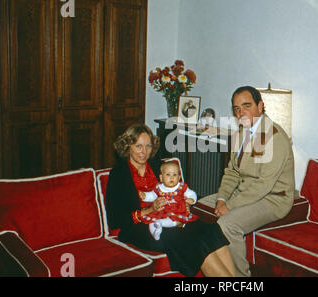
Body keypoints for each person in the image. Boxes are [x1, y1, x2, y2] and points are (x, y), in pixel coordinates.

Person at [105, 123, 235, 277]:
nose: (144, 152)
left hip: (171, 217)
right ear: (128, 146)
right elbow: (115, 219)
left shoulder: (157, 165)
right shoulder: (118, 174)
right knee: (192, 240)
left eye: (148, 146)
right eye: (138, 146)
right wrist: (150, 209)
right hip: (142, 227)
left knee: (209, 229)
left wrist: (184, 205)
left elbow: (176, 190)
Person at [199, 86, 295, 277]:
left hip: (273, 199)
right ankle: (219, 270)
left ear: (260, 106)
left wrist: (230, 206)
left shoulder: (275, 137)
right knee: (200, 206)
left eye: (246, 106)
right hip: (246, 191)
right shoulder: (241, 132)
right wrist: (221, 199)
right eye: (236, 108)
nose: (241, 112)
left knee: (228, 224)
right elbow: (232, 171)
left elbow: (263, 185)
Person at [138, 159, 198, 240]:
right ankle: (155, 234)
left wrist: (191, 199)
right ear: (161, 177)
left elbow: (192, 193)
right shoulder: (159, 187)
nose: (171, 177)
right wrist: (145, 196)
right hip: (161, 210)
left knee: (174, 220)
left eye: (175, 174)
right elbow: (152, 195)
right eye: (168, 174)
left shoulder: (181, 187)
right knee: (151, 222)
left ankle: (161, 223)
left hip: (176, 210)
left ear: (179, 177)